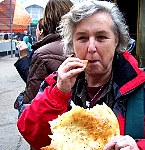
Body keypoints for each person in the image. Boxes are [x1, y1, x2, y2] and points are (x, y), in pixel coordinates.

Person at [17, 0, 145, 150]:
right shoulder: (56, 82)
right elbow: (31, 134)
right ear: (72, 43)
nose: (91, 48)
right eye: (82, 38)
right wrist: (58, 94)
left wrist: (138, 147)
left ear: (116, 40)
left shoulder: (140, 86)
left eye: (101, 37)